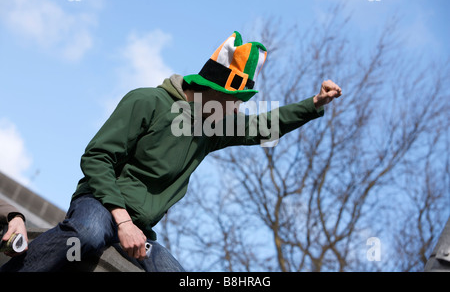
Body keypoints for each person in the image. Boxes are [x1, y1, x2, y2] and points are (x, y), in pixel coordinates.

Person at [0, 31, 341, 272]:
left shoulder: (211, 127)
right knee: (87, 234)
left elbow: (262, 126)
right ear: (212, 90)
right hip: (101, 203)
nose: (236, 111)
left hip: (140, 228)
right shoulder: (147, 101)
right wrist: (121, 219)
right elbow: (96, 158)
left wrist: (314, 103)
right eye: (233, 102)